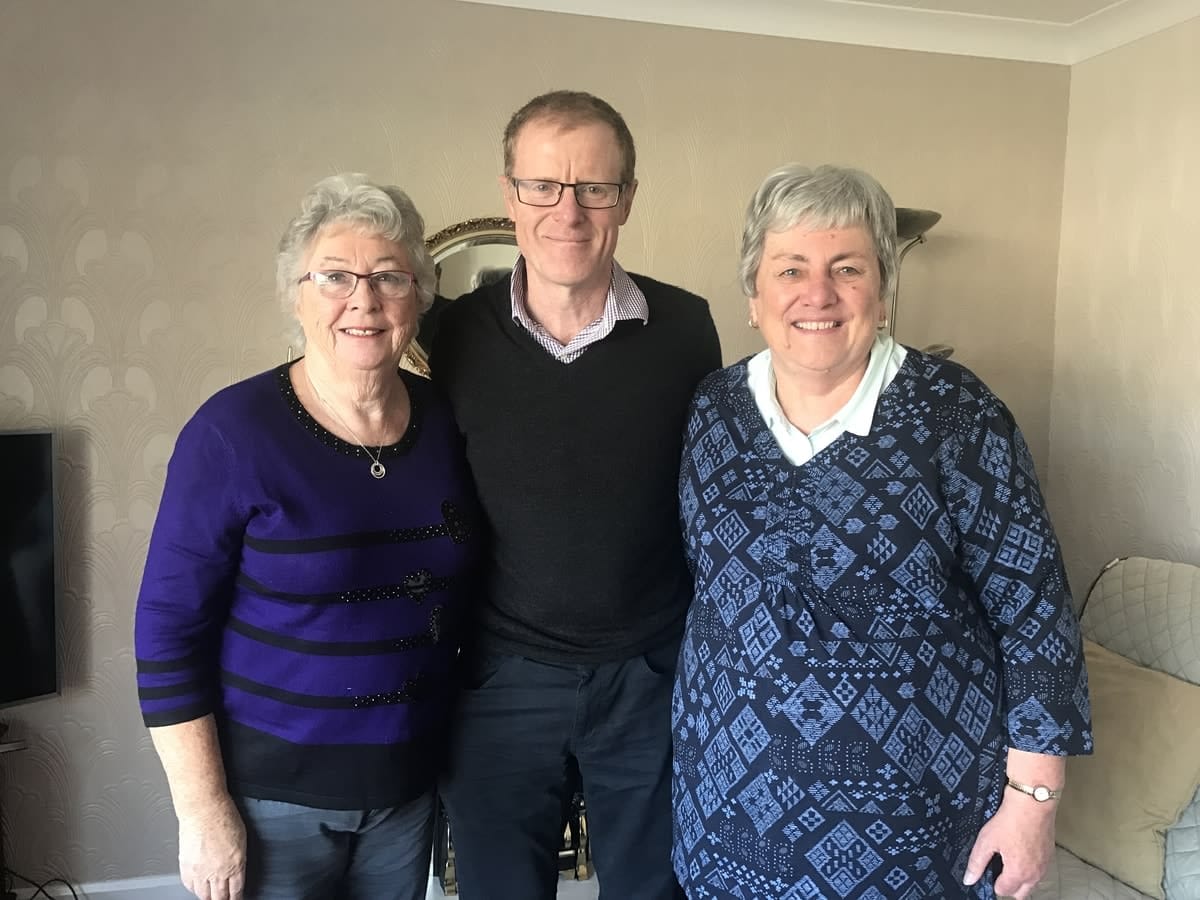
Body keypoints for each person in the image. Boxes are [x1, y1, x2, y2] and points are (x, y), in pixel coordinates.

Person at [671, 164, 1092, 900]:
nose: (818, 293)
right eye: (790, 269)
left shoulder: (957, 414)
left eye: (848, 268)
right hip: (731, 810)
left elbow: (1035, 613)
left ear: (884, 290)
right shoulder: (715, 409)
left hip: (915, 826)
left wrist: (1033, 801)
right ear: (753, 296)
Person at [134, 173, 481, 900]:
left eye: (389, 277)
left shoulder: (448, 423)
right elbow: (167, 632)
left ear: (418, 296)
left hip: (408, 789)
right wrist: (202, 812)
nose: (364, 300)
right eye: (334, 276)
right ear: (296, 294)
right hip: (272, 801)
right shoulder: (232, 432)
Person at [430, 90, 722, 900]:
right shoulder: (452, 335)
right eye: (543, 185)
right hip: (501, 679)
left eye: (595, 187)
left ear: (626, 198)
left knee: (656, 891)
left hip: (649, 677)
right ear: (509, 194)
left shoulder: (687, 329)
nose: (568, 211)